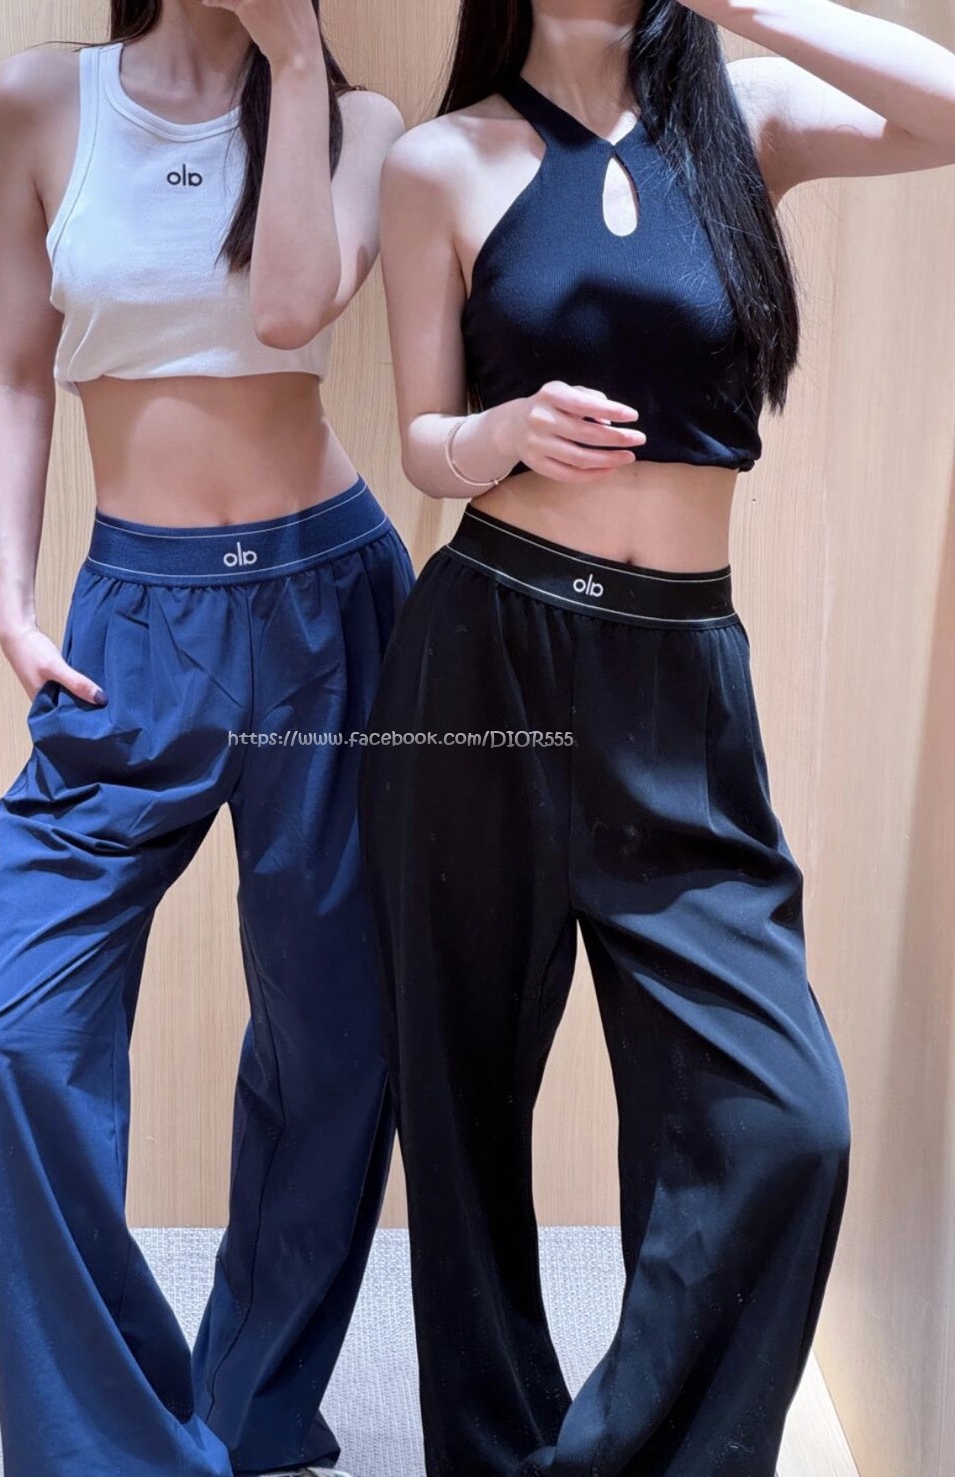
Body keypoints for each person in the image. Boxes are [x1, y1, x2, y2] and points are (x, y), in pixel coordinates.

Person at [358, 2, 955, 1474]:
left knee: (784, 1121)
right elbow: (421, 433)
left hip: (682, 677)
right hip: (486, 653)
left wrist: (744, 7)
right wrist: (500, 434)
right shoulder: (442, 160)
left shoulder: (744, 121)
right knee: (463, 1110)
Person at [0, 3, 411, 1474]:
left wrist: (295, 60)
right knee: (19, 1035)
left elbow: (289, 313)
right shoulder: (38, 102)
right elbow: (17, 367)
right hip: (132, 621)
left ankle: (254, 1402)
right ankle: (123, 1445)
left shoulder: (358, 124)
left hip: (330, 603)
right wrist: (14, 596)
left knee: (339, 1033)